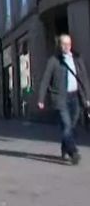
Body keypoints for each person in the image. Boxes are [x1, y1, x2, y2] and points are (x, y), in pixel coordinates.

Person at [38, 34, 90, 165]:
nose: (66, 46)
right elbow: (45, 79)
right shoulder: (54, 60)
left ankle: (65, 145)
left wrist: (87, 97)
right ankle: (73, 152)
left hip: (75, 97)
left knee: (71, 125)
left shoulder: (77, 58)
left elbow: (83, 79)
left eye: (68, 44)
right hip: (60, 98)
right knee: (66, 125)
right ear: (59, 45)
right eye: (63, 44)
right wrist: (41, 99)